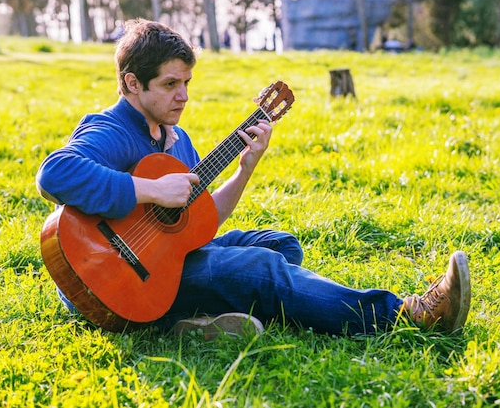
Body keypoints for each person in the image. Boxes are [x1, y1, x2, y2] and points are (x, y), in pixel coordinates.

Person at [36, 19, 471, 340]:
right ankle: (407, 313)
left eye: (186, 82)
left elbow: (198, 223)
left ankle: (192, 322)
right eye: (170, 84)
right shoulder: (110, 129)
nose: (183, 96)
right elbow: (54, 174)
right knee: (259, 268)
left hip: (159, 265)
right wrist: (150, 189)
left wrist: (246, 167)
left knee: (281, 246)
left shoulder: (176, 138)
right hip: (107, 280)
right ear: (132, 82)